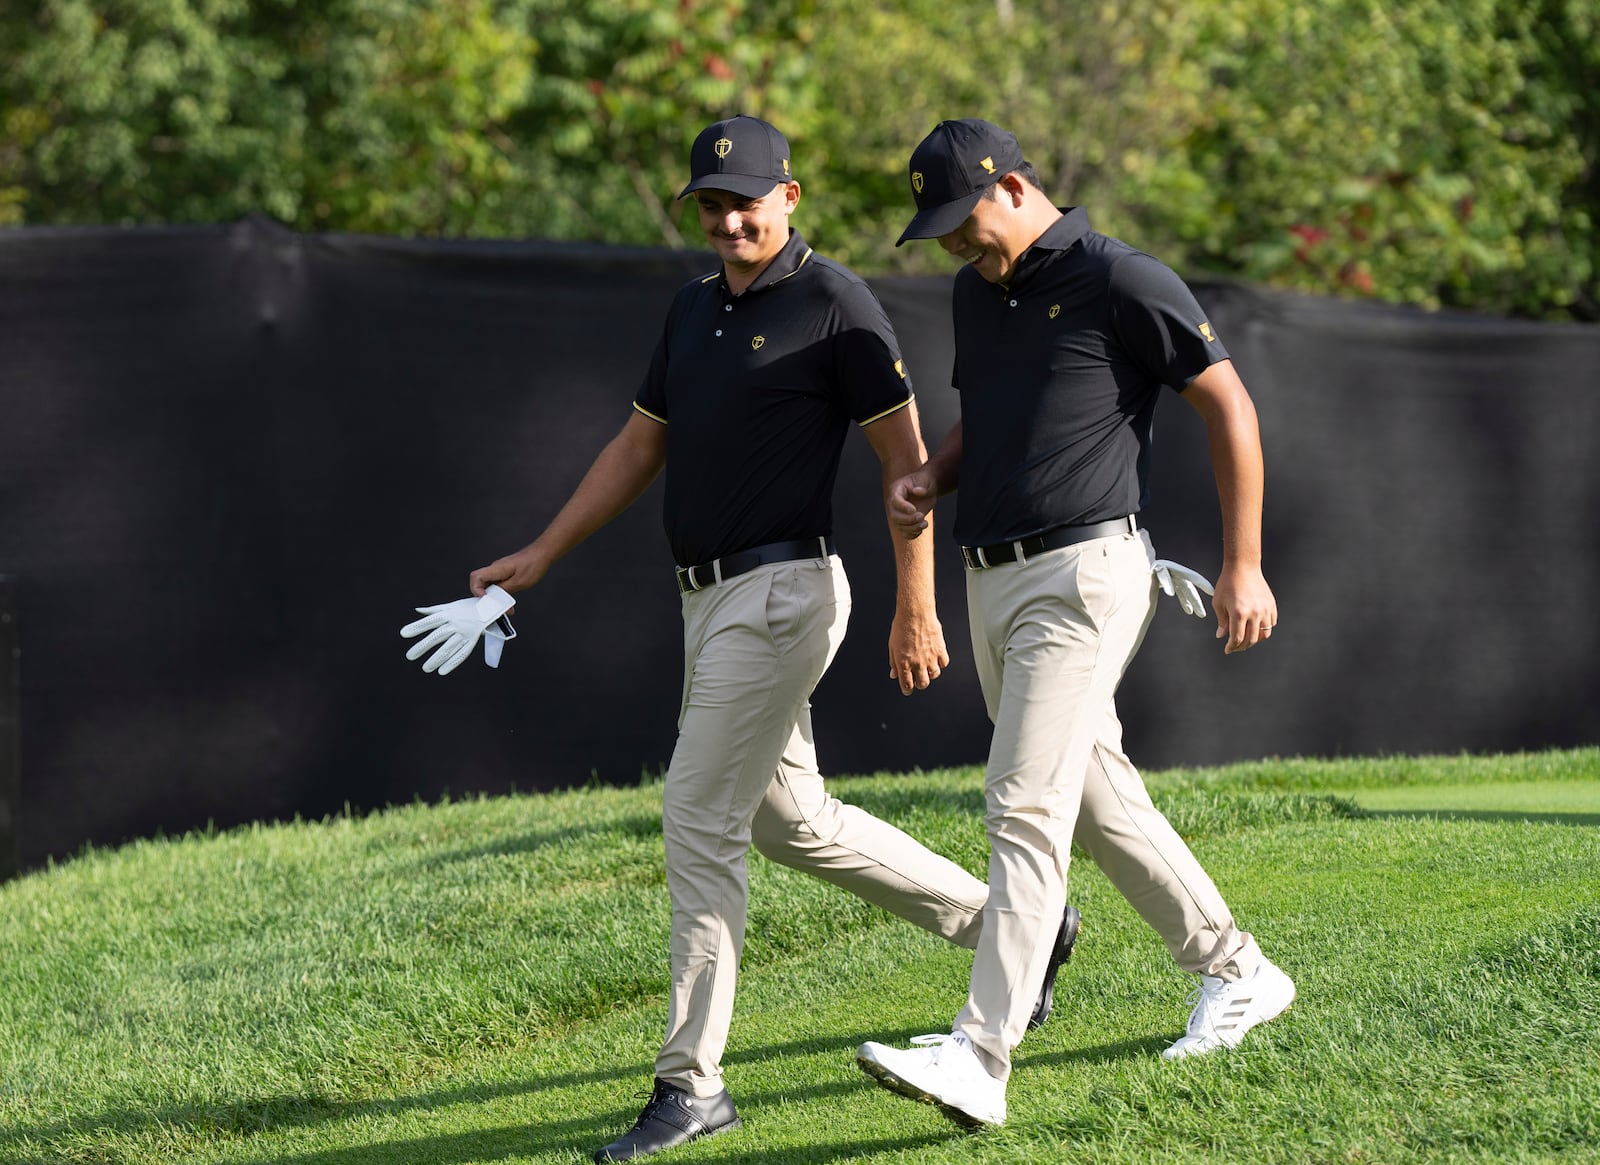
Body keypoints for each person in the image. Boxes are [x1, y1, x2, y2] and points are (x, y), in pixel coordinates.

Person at [457, 115, 1080, 1162]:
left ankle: (688, 1083)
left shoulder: (835, 302)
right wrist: (544, 551)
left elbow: (910, 464)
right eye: (711, 203)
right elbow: (636, 442)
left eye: (748, 198)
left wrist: (914, 602)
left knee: (696, 816)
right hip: (708, 600)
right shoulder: (690, 309)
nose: (730, 217)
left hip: (783, 590)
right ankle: (1012, 923)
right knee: (791, 822)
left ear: (789, 197)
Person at [855, 118, 1296, 1129]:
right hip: (990, 578)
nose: (956, 244)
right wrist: (935, 472)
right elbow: (995, 413)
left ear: (1011, 185)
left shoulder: (1121, 277)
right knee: (1094, 802)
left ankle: (980, 1050)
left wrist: (1242, 564)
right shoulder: (978, 292)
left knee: (1020, 802)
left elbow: (1229, 408)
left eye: (962, 221)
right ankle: (1238, 970)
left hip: (1085, 575)